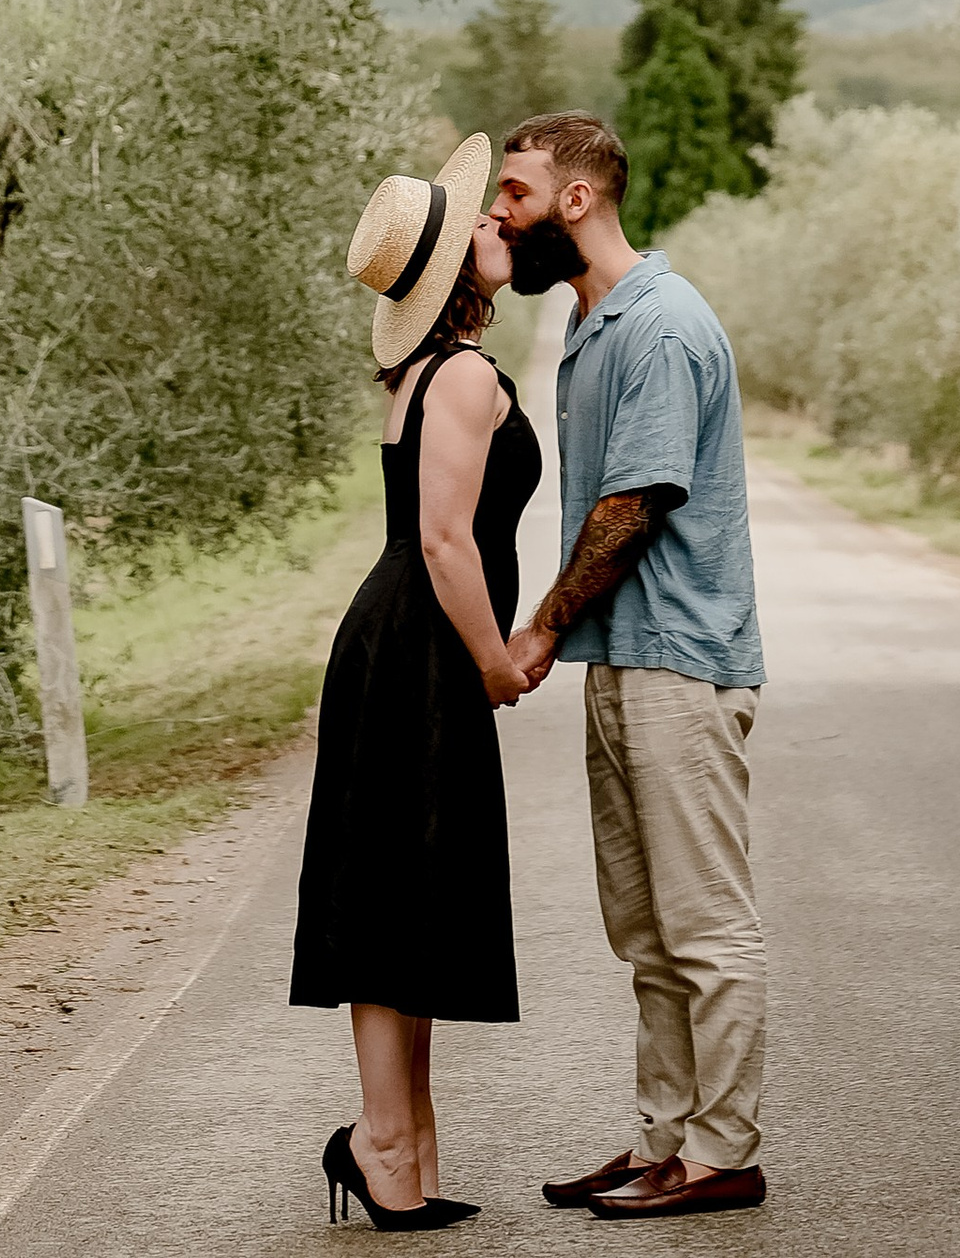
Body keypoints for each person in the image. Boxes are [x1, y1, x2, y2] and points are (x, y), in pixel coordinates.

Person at [495, 112, 768, 1222]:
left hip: (680, 666)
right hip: (626, 657)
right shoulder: (590, 321)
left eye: (513, 194)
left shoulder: (659, 325)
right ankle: (665, 1139)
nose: (495, 217)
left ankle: (724, 1152)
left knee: (704, 924)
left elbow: (633, 506)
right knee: (647, 929)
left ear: (574, 199)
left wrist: (541, 627)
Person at [292, 131, 543, 1230]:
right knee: (399, 893)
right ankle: (384, 1144)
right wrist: (496, 661)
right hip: (422, 644)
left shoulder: (429, 373)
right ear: (449, 273)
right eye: (483, 223)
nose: (500, 224)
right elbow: (447, 544)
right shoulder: (466, 378)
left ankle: (403, 1145)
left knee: (403, 892)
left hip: (402, 641)